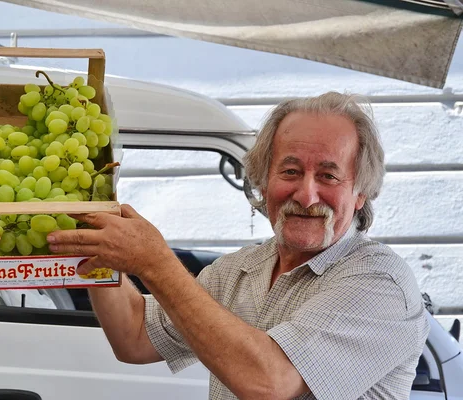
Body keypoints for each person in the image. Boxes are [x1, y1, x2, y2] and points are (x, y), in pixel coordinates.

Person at [46, 92, 430, 400]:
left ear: (360, 193)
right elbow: (133, 338)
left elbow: (269, 384)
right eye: (291, 171)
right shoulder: (240, 269)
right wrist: (96, 250)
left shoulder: (379, 283)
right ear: (263, 181)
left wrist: (155, 262)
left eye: (328, 175)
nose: (307, 195)